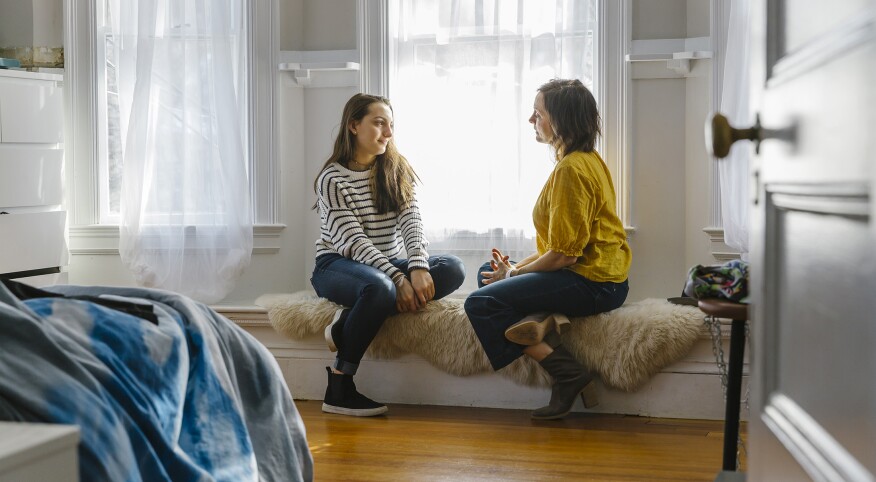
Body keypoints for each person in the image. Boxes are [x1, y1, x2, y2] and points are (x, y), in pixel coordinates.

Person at [464, 79, 632, 420]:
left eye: (537, 113)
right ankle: (538, 319)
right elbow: (560, 247)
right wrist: (508, 273)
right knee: (487, 276)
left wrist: (512, 273)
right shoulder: (585, 158)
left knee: (479, 302)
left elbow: (565, 256)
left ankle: (568, 374)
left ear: (559, 120)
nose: (531, 120)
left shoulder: (571, 169)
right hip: (593, 275)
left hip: (595, 283)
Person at [311, 93, 466, 417]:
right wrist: (398, 277)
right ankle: (339, 387)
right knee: (379, 288)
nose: (388, 132)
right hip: (338, 265)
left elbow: (412, 222)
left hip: (385, 265)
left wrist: (418, 266)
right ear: (354, 125)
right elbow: (353, 241)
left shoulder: (396, 169)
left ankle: (346, 325)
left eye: (391, 125)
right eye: (379, 123)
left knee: (452, 268)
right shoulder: (332, 178)